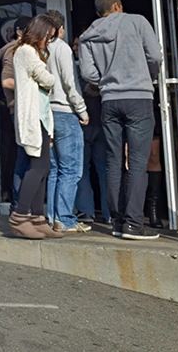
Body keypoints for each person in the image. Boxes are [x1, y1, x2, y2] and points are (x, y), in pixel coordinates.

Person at [80, 0, 162, 240]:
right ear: (117, 6)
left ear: (98, 13)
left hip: (109, 101)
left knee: (113, 162)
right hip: (138, 97)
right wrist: (147, 77)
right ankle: (133, 224)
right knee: (138, 162)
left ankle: (117, 221)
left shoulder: (87, 36)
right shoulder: (137, 22)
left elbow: (87, 73)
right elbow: (156, 56)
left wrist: (104, 82)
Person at [9, 15, 63, 239]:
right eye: (48, 36)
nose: (49, 41)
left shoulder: (30, 52)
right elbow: (48, 79)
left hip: (41, 118)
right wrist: (49, 76)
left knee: (44, 167)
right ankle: (20, 216)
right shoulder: (26, 51)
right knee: (39, 167)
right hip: (33, 118)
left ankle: (38, 218)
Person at [43, 11, 90, 233]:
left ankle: (53, 217)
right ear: (60, 29)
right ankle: (66, 219)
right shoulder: (61, 48)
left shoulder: (39, 49)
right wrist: (82, 110)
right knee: (70, 170)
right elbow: (70, 84)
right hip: (65, 112)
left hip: (47, 113)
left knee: (54, 170)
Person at [73, 35, 111, 224]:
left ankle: (90, 211)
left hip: (87, 123)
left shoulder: (76, 69)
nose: (75, 48)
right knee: (100, 169)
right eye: (74, 45)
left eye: (78, 45)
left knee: (85, 169)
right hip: (99, 122)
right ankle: (107, 212)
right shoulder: (103, 66)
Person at [0, 16, 30, 210]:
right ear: (19, 32)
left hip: (24, 109)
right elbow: (7, 81)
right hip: (18, 109)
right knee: (23, 157)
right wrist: (32, 89)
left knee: (27, 157)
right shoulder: (13, 51)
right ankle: (18, 205)